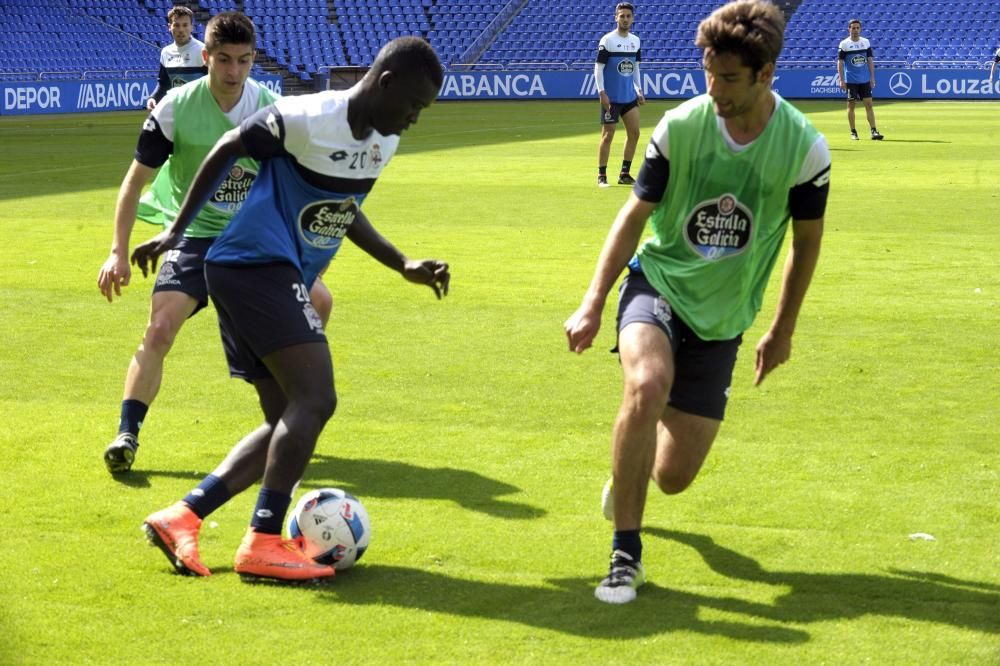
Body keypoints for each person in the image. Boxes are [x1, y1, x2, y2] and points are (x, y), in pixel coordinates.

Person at [130, 36, 449, 583]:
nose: (415, 119)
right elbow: (229, 146)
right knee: (316, 398)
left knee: (285, 421)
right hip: (252, 264)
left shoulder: (382, 142)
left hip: (260, 272)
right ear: (387, 83)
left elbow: (344, 209)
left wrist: (401, 263)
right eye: (414, 105)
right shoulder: (306, 116)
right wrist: (177, 232)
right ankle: (263, 540)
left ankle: (183, 516)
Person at [564, 0, 830, 604]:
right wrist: (593, 299)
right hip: (658, 283)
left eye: (729, 77)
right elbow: (635, 216)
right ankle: (624, 555)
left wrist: (782, 329)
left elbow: (806, 245)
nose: (714, 88)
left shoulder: (804, 148)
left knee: (673, 477)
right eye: (708, 72)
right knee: (647, 384)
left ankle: (627, 468)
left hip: (725, 317)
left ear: (765, 74)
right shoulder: (681, 125)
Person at [97, 11, 333, 475]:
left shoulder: (270, 107)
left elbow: (296, 183)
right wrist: (117, 252)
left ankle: (290, 415)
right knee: (160, 328)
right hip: (192, 236)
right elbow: (133, 182)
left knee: (319, 301)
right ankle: (127, 433)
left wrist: (305, 255)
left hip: (255, 239)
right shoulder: (175, 107)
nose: (233, 72)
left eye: (244, 61)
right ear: (205, 56)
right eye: (223, 60)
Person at [595, 1, 645, 188]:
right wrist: (602, 93)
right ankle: (601, 176)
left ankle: (624, 173)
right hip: (612, 98)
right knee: (608, 136)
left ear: (632, 18)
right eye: (621, 16)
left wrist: (639, 90)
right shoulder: (607, 40)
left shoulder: (635, 41)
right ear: (615, 17)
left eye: (628, 16)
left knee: (635, 133)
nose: (625, 19)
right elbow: (598, 69)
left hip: (629, 97)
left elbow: (635, 69)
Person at [146, 6, 208, 111]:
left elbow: (215, 84)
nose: (181, 30)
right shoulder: (166, 52)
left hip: (201, 113)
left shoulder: (203, 51)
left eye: (185, 25)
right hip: (178, 113)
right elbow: (163, 84)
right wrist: (153, 98)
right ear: (169, 27)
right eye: (177, 25)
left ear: (192, 27)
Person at [837, 18, 884, 140]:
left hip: (864, 80)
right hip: (851, 81)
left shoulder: (866, 42)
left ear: (860, 29)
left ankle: (874, 131)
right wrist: (841, 79)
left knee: (869, 105)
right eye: (853, 28)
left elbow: (869, 60)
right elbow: (840, 63)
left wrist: (872, 77)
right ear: (849, 29)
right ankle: (853, 132)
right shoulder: (844, 44)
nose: (855, 30)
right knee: (851, 106)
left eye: (858, 28)